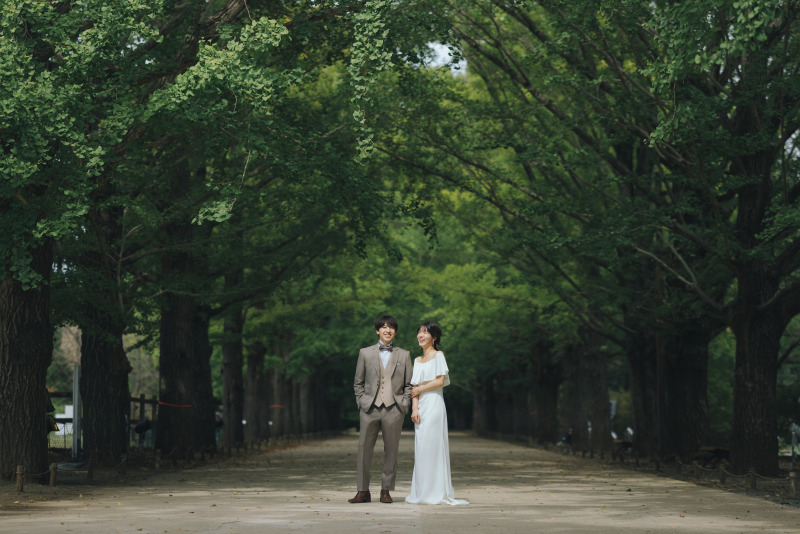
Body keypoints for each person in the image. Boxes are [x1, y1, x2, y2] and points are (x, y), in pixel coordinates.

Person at [349, 315, 413, 504]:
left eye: (391, 327)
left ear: (395, 332)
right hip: (369, 408)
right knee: (363, 449)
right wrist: (361, 401)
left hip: (394, 409)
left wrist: (404, 403)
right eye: (383, 327)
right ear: (377, 330)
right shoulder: (365, 353)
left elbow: (409, 384)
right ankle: (362, 491)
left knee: (391, 450)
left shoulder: (404, 355)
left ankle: (386, 490)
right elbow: (358, 382)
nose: (387, 330)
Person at [405, 322, 468, 505]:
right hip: (421, 406)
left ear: (434, 337)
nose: (420, 335)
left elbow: (440, 381)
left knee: (432, 446)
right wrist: (414, 408)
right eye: (419, 332)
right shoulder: (417, 360)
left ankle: (436, 492)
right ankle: (422, 492)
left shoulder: (439, 356)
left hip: (434, 404)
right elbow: (414, 387)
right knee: (421, 447)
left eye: (425, 332)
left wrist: (420, 389)